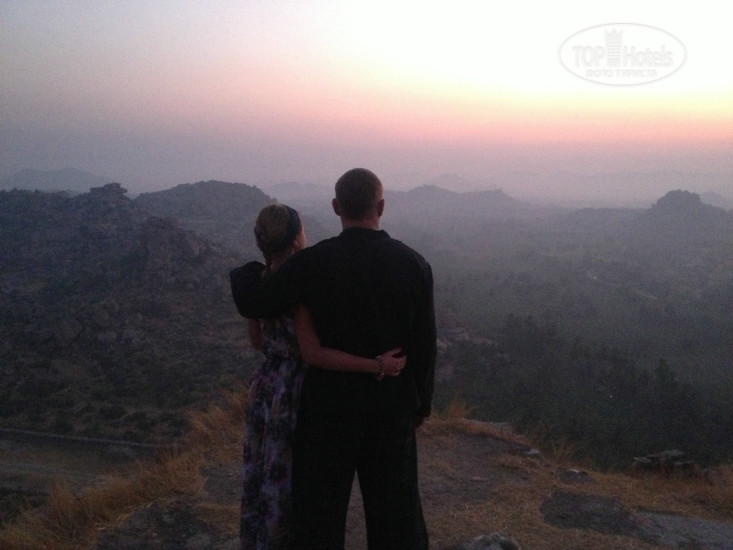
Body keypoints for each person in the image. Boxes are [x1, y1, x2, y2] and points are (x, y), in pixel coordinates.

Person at [230, 168, 436, 550]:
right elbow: (424, 346)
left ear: (336, 207)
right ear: (381, 207)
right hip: (390, 406)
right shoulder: (413, 264)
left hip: (328, 408)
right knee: (396, 517)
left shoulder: (314, 263)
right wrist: (420, 405)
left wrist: (246, 271)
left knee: (320, 519)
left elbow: (255, 303)